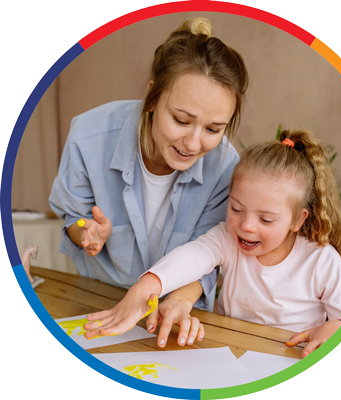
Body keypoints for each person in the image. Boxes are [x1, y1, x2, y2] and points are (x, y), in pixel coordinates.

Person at [48, 17, 249, 347]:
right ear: (153, 99)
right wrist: (86, 231)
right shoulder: (89, 137)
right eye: (181, 121)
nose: (194, 143)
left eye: (213, 129)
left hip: (173, 317)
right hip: (98, 304)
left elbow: (212, 253)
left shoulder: (226, 165)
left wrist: (180, 302)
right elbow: (74, 217)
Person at [83, 129, 341, 358]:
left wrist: (334, 328)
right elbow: (191, 257)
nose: (246, 225)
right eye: (237, 209)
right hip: (231, 354)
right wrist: (144, 288)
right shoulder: (227, 238)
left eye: (266, 219)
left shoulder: (320, 260)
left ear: (297, 221)